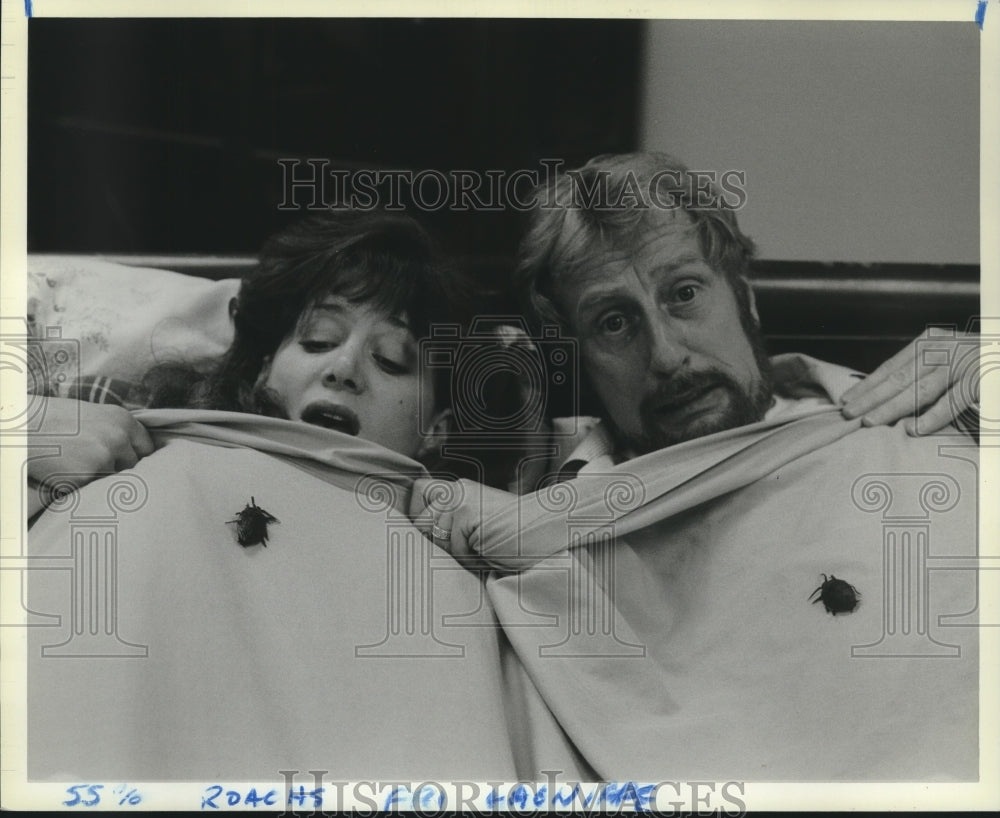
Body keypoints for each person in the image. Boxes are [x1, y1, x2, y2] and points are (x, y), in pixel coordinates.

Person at [411, 151, 980, 552]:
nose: (665, 356)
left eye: (683, 294)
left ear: (744, 299)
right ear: (580, 359)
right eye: (614, 323)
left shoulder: (936, 408)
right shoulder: (540, 502)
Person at [27, 209, 474, 516]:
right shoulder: (132, 423)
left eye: (390, 360)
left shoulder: (467, 535)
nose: (344, 368)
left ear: (438, 427)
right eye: (318, 340)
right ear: (264, 368)